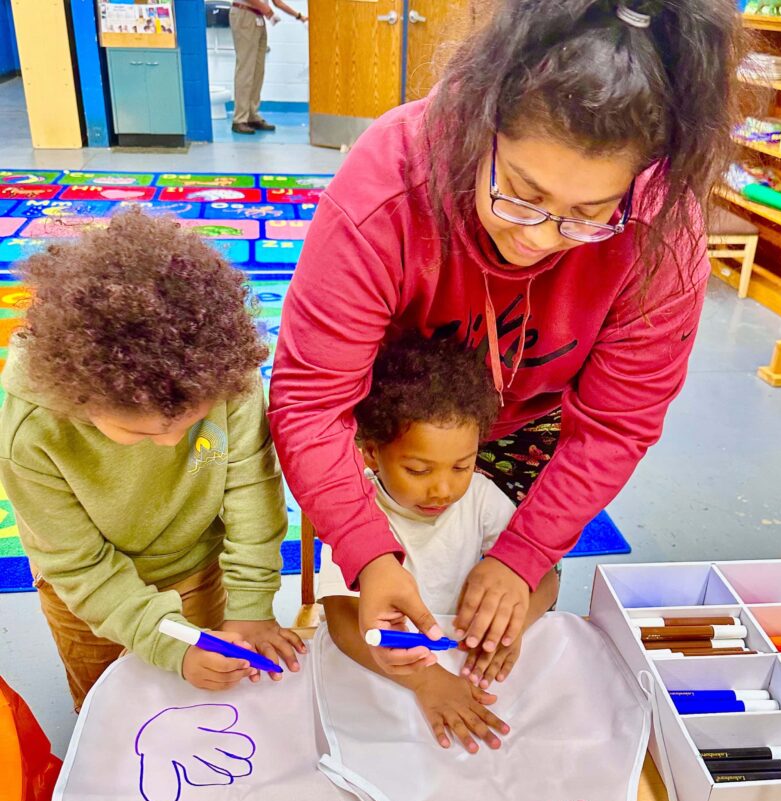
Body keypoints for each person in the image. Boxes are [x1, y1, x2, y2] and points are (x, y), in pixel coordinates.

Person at [269, 0, 743, 680]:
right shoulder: (390, 181)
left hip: (532, 418)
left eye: (587, 215)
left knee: (495, 605)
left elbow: (614, 427)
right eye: (520, 193)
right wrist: (367, 553)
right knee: (380, 577)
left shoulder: (661, 232)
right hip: (397, 413)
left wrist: (520, 558)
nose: (538, 237)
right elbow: (312, 402)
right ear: (485, 123)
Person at [0, 209, 304, 711]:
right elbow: (80, 567)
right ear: (79, 398)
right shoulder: (33, 432)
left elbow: (253, 490)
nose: (170, 445)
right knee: (108, 707)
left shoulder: (226, 378)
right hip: (86, 598)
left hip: (196, 569)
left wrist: (250, 604)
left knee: (196, 699)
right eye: (138, 432)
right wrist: (165, 642)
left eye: (191, 424)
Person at [318, 332, 559, 753]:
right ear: (372, 453)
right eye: (418, 470)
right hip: (385, 678)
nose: (443, 490)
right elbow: (340, 618)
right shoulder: (353, 513)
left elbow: (545, 579)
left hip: (463, 666)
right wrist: (425, 681)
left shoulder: (480, 497)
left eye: (461, 466)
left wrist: (513, 623)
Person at [229, 0, 307, 135]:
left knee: (258, 71)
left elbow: (277, 2)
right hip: (244, 13)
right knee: (246, 69)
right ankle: (239, 119)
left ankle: (252, 116)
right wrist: (266, 9)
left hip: (257, 17)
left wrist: (300, 17)